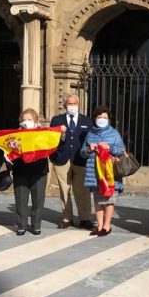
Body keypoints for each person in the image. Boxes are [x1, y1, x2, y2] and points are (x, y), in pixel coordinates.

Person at [49, 94, 94, 229]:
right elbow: (51, 139)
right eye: (69, 104)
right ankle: (67, 218)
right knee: (64, 189)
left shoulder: (87, 121)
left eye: (74, 104)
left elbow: (91, 139)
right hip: (62, 159)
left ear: (78, 105)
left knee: (83, 190)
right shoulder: (57, 120)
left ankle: (85, 218)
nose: (72, 106)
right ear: (65, 106)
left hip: (81, 160)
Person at [80, 106, 125, 237]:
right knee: (98, 200)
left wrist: (110, 147)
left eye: (105, 117)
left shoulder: (114, 133)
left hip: (110, 172)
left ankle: (107, 225)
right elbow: (82, 153)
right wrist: (89, 149)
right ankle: (99, 226)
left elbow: (122, 150)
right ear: (95, 119)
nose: (102, 119)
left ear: (109, 120)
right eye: (99, 117)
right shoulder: (90, 134)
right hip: (94, 172)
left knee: (109, 199)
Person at [10, 108, 48, 236]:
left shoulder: (43, 134)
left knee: (38, 199)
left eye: (30, 120)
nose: (27, 122)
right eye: (24, 120)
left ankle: (36, 225)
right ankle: (21, 225)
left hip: (39, 170)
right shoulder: (15, 135)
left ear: (36, 122)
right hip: (21, 170)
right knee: (21, 199)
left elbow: (55, 143)